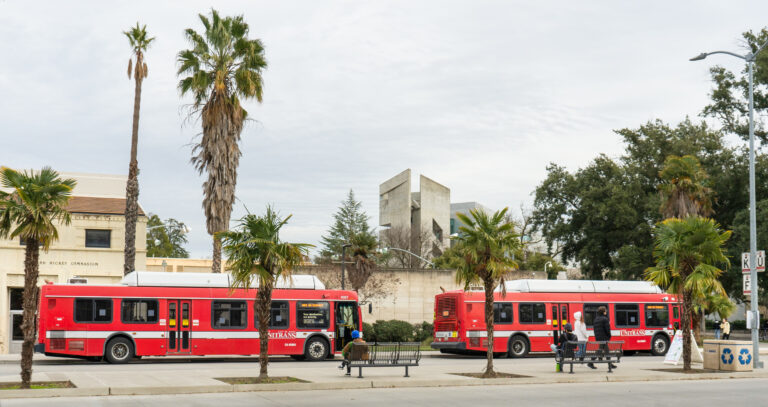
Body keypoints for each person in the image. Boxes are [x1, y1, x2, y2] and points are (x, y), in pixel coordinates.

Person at [588, 306, 616, 370]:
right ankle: (590, 362)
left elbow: (595, 329)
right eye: (605, 311)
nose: (606, 312)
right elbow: (607, 329)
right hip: (604, 337)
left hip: (598, 337)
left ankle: (610, 364)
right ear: (604, 312)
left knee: (606, 350)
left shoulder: (596, 319)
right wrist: (609, 336)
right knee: (601, 351)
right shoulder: (605, 319)